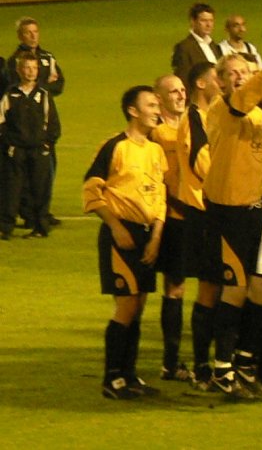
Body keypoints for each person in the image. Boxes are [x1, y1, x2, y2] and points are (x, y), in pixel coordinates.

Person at [204, 52, 262, 398]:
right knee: (235, 288)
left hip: (257, 210)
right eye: (233, 73)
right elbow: (242, 103)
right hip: (228, 210)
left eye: (245, 71)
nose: (239, 76)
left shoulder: (260, 115)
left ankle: (246, 362)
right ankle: (222, 369)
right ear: (220, 80)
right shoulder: (222, 108)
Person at [83, 85, 167, 399]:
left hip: (148, 236)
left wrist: (157, 235)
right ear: (133, 111)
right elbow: (91, 189)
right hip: (122, 235)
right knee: (127, 305)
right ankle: (112, 379)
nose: (157, 110)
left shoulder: (156, 150)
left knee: (139, 305)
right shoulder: (114, 146)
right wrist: (116, 227)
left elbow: (160, 195)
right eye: (151, 105)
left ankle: (130, 376)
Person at [175, 62, 222, 390]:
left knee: (225, 289)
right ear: (202, 84)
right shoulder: (192, 119)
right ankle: (202, 364)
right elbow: (201, 162)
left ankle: (221, 360)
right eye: (217, 76)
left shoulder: (216, 114)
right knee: (209, 289)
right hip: (204, 213)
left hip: (219, 210)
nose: (222, 81)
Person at [150, 74, 192, 382]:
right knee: (175, 286)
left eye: (181, 90)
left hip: (200, 216)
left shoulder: (193, 123)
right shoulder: (155, 133)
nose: (179, 95)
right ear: (159, 98)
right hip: (175, 218)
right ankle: (170, 361)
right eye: (172, 92)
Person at [6, 17, 65, 228]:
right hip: (22, 125)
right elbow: (15, 87)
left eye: (35, 31)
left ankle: (42, 213)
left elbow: (60, 84)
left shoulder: (47, 57)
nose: (33, 35)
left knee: (46, 172)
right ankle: (28, 214)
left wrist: (41, 89)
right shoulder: (14, 61)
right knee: (22, 176)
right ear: (20, 36)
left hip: (44, 122)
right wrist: (42, 85)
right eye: (28, 32)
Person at [0, 52, 60, 239]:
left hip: (38, 150)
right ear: (18, 70)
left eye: (34, 68)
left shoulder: (43, 95)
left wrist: (47, 144)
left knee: (40, 189)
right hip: (16, 151)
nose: (31, 72)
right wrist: (8, 144)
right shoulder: (10, 94)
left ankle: (40, 227)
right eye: (27, 67)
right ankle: (5, 227)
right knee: (12, 189)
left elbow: (53, 123)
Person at [171, 3, 222, 87]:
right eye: (204, 20)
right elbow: (183, 78)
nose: (208, 25)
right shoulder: (184, 47)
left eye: (211, 20)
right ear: (193, 21)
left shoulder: (213, 45)